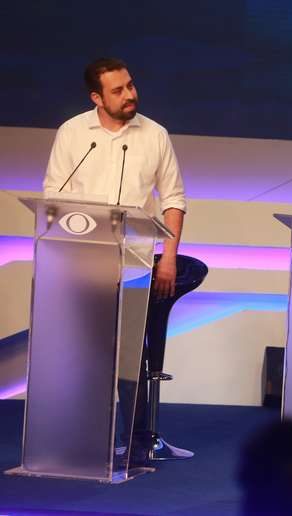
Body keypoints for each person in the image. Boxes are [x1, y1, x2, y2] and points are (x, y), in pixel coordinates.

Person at [43, 57, 187, 462]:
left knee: (129, 359)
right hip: (83, 266)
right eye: (118, 90)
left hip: (135, 265)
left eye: (131, 86)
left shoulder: (154, 134)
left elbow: (173, 198)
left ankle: (136, 443)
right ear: (96, 97)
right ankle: (76, 437)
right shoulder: (73, 133)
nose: (130, 95)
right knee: (81, 356)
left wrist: (169, 258)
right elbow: (53, 197)